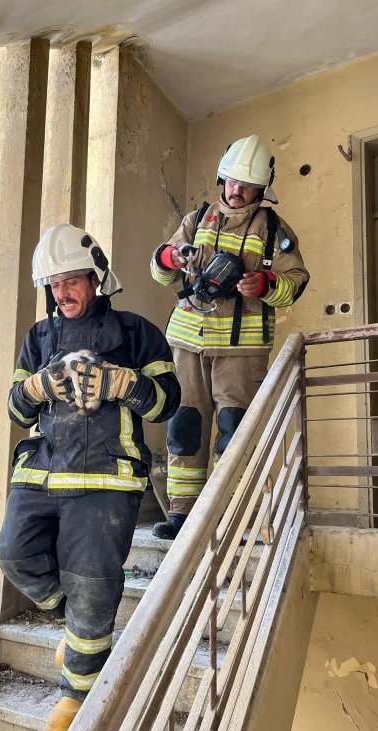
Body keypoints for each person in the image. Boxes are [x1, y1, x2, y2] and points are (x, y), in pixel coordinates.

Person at [0, 223, 181, 731]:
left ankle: (78, 690)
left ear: (96, 277)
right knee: (14, 553)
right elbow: (16, 409)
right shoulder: (39, 337)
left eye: (72, 279)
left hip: (107, 479)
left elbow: (169, 403)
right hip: (42, 471)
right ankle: (77, 626)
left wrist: (126, 382)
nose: (62, 292)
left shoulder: (137, 332)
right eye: (53, 284)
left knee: (93, 583)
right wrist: (37, 385)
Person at [149, 134, 309, 540]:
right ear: (222, 179)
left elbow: (296, 281)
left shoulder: (275, 229)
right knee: (184, 426)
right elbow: (160, 269)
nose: (236, 191)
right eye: (232, 181)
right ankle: (183, 515)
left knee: (234, 430)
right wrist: (172, 257)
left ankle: (229, 514)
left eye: (247, 184)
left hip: (241, 349)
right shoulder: (196, 219)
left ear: (262, 187)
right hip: (188, 341)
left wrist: (265, 284)